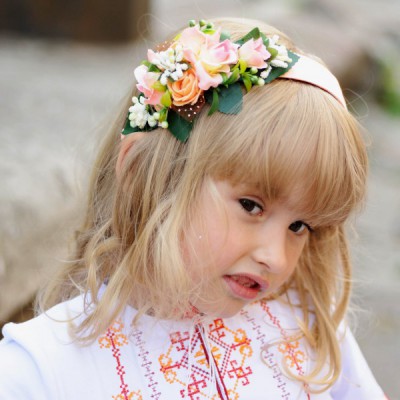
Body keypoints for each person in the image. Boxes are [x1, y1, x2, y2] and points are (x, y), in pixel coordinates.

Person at [0, 17, 387, 399]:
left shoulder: (311, 329)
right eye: (251, 206)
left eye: (300, 226)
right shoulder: (41, 369)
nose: (277, 259)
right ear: (140, 172)